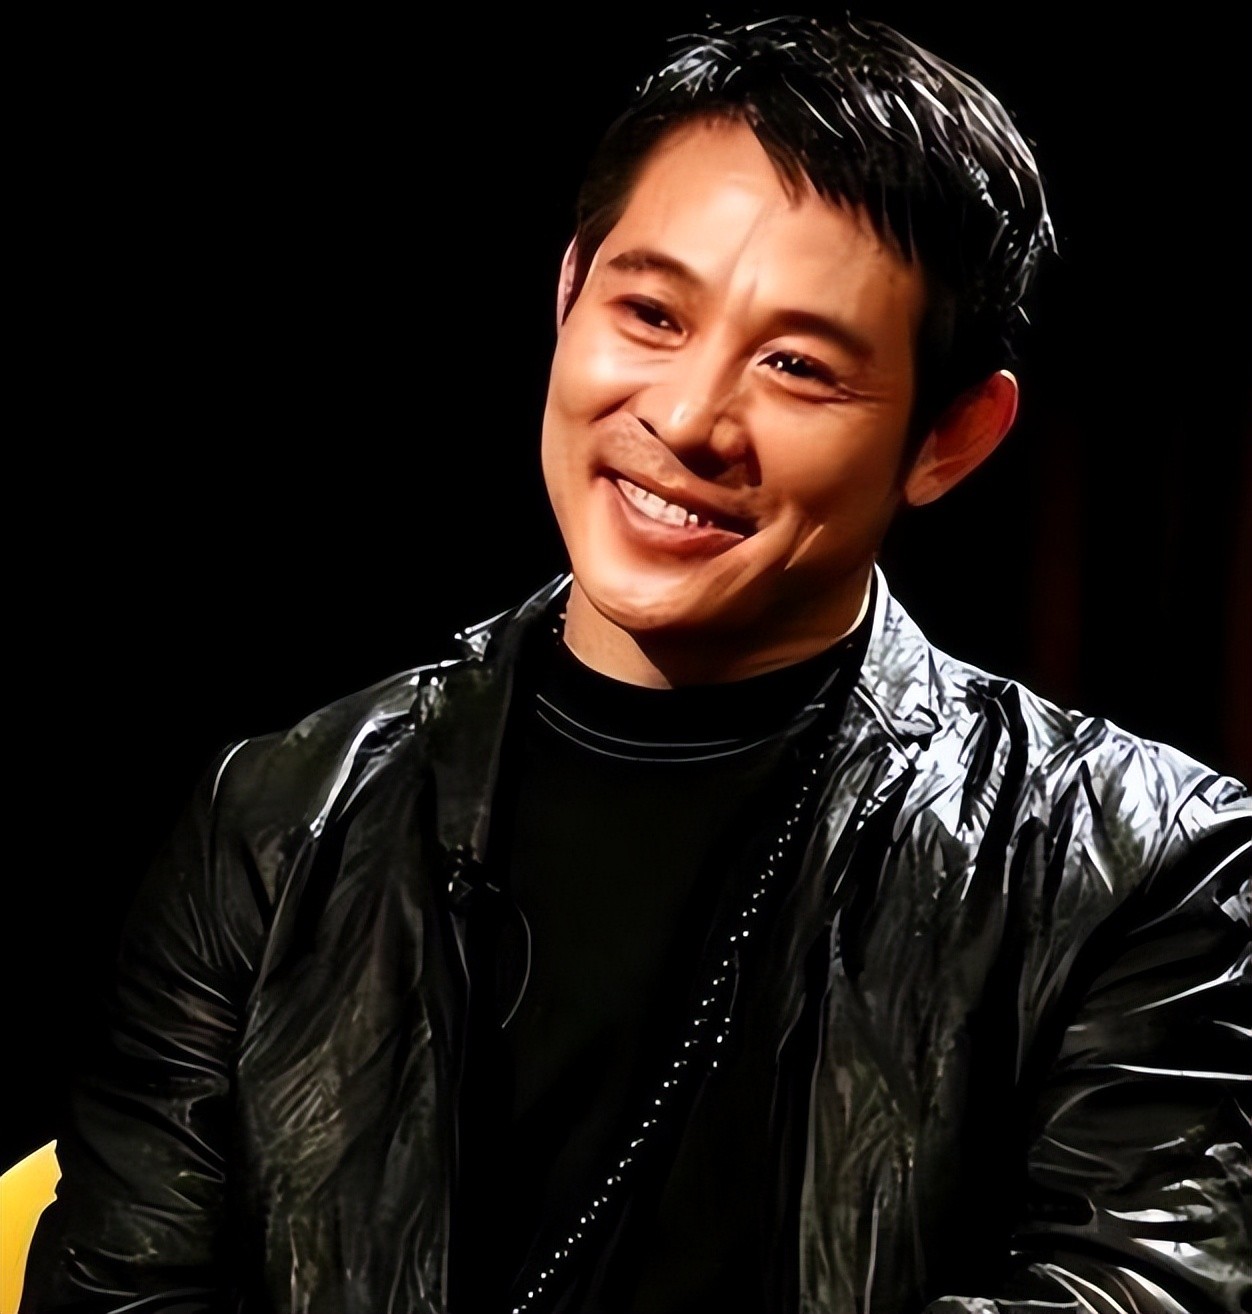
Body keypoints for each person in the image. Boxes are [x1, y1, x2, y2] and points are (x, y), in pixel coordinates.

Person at [20, 11, 1251, 1314]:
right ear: (568, 296)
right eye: (652, 313)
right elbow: (117, 1290)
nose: (686, 417)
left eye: (797, 366)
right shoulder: (278, 825)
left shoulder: (1143, 870)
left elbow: (1140, 1289)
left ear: (952, 438)